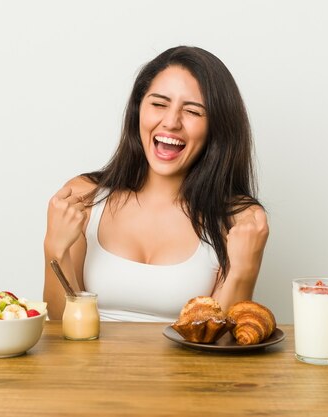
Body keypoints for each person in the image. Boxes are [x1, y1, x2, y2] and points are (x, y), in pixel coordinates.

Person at [43, 46, 269, 321]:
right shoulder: (83, 197)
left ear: (217, 128)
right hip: (91, 364)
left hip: (191, 365)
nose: (171, 122)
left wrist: (244, 271)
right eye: (159, 104)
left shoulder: (239, 220)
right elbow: (59, 327)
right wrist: (55, 249)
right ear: (139, 109)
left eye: (193, 111)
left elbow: (223, 341)